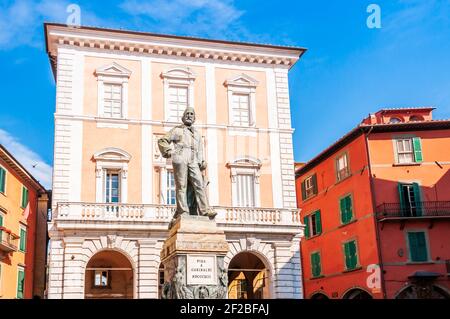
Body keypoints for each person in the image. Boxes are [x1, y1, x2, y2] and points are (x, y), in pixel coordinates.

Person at [158, 107, 216, 224]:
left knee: (199, 184)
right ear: (183, 117)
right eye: (187, 114)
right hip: (181, 157)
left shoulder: (198, 134)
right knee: (182, 186)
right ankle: (183, 211)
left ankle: (205, 210)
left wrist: (201, 161)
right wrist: (169, 151)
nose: (189, 116)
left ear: (194, 118)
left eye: (191, 114)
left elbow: (199, 150)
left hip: (193, 160)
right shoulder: (177, 131)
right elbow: (162, 140)